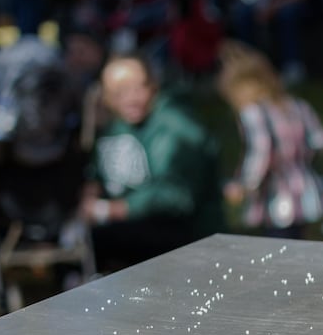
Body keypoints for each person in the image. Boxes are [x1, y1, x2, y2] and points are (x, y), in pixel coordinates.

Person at [84, 55, 226, 273]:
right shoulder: (118, 124)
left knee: (99, 241)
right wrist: (91, 191)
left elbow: (177, 196)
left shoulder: (176, 127)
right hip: (140, 234)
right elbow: (100, 173)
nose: (130, 98)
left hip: (187, 239)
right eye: (119, 92)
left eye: (138, 88)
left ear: (153, 86)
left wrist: (113, 210)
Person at [216, 42, 323, 239]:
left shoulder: (254, 113)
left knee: (278, 247)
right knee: (298, 244)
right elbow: (320, 141)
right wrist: (300, 159)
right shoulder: (297, 106)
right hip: (304, 189)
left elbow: (261, 151)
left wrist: (245, 184)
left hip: (277, 196)